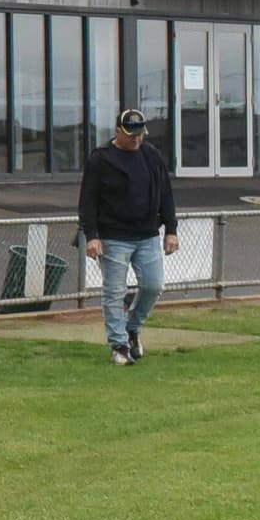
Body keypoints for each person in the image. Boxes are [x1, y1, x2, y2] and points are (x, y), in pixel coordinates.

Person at [76, 106, 179, 367]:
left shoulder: (151, 156)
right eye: (131, 135)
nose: (136, 140)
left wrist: (171, 230)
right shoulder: (101, 159)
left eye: (139, 135)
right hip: (113, 236)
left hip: (147, 234)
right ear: (118, 132)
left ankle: (132, 327)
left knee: (154, 286)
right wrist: (92, 235)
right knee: (114, 291)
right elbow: (88, 200)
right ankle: (119, 345)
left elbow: (166, 193)